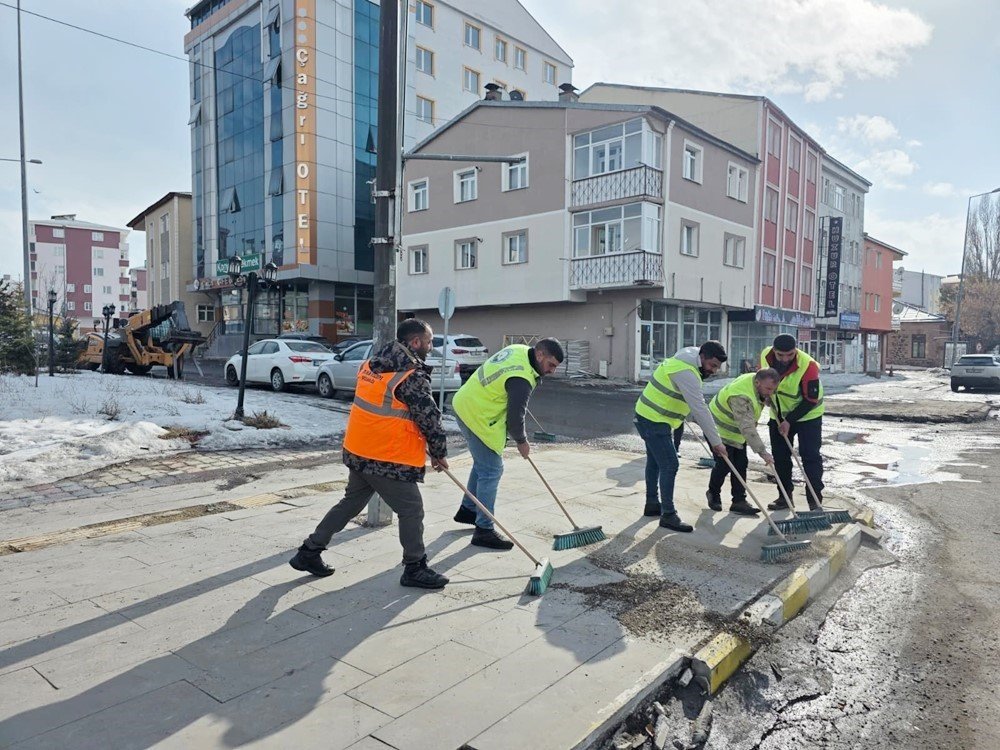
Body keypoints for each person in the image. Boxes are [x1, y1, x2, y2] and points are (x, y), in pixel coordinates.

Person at [288, 319, 450, 589]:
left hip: (359, 449)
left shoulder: (372, 364)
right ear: (415, 342)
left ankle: (309, 552)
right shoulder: (410, 375)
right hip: (387, 457)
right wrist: (439, 452)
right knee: (411, 509)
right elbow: (429, 418)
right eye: (429, 341)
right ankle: (414, 567)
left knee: (351, 503)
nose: (431, 347)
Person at [451, 338, 565, 549]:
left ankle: (469, 510)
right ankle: (484, 530)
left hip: (467, 402)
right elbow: (515, 419)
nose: (552, 371)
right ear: (539, 355)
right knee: (492, 470)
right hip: (477, 415)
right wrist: (522, 441)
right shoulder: (521, 378)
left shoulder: (519, 350)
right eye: (551, 365)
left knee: (483, 464)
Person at [634, 341, 729, 532]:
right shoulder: (687, 372)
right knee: (670, 464)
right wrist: (716, 442)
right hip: (654, 420)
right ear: (702, 357)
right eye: (712, 365)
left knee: (655, 462)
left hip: (647, 414)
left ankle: (652, 504)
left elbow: (685, 400)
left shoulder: (687, 358)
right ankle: (668, 515)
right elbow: (700, 408)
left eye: (717, 367)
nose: (714, 371)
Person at [760, 334, 825, 511]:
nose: (785, 359)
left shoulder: (808, 365)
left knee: (810, 456)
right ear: (774, 351)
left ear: (795, 350)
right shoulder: (765, 356)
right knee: (780, 457)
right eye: (780, 355)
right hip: (779, 414)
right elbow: (762, 380)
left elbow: (810, 400)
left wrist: (789, 421)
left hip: (808, 415)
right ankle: (784, 498)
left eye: (790, 354)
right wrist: (765, 397)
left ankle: (814, 500)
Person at [706, 369, 779, 515]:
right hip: (718, 429)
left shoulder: (756, 382)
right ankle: (713, 493)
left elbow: (751, 414)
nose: (770, 393)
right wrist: (763, 452)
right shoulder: (740, 396)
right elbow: (747, 428)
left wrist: (767, 400)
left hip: (736, 431)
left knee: (741, 463)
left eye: (773, 389)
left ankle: (739, 501)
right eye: (768, 389)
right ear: (757, 383)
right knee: (724, 465)